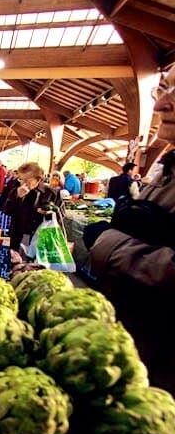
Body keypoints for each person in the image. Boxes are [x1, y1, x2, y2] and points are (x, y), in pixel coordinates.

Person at [88, 67, 175, 393]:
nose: (159, 105)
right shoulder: (167, 165)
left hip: (160, 379)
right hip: (134, 357)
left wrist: (109, 245)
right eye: (161, 89)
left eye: (174, 95)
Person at [3, 162, 63, 258]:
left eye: (27, 180)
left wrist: (49, 213)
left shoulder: (50, 193)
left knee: (32, 266)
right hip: (17, 235)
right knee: (15, 263)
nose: (23, 183)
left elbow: (59, 216)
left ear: (38, 179)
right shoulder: (16, 189)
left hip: (38, 236)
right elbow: (6, 211)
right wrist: (17, 197)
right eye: (21, 179)